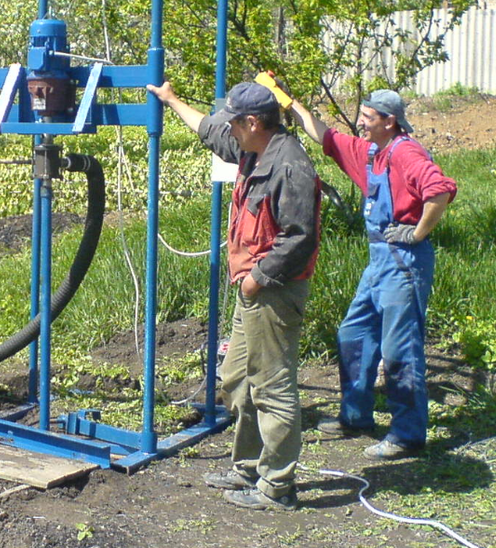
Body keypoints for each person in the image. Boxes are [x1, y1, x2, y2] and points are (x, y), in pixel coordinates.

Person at [147, 80, 321, 510]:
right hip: (253, 290)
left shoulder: (289, 166)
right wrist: (171, 100)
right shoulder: (252, 148)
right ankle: (247, 466)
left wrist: (257, 277)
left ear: (252, 121)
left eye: (235, 123)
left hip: (273, 292)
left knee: (271, 386)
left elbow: (299, 238)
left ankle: (277, 487)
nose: (230, 130)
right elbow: (209, 130)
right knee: (237, 379)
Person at [287, 89, 456, 460]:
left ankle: (407, 434)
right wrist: (290, 104)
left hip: (404, 260)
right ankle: (356, 415)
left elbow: (440, 191)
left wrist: (417, 232)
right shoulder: (371, 152)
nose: (360, 122)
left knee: (399, 348)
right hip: (378, 259)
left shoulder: (406, 153)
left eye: (367, 116)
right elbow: (326, 136)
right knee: (354, 332)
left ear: (389, 120)